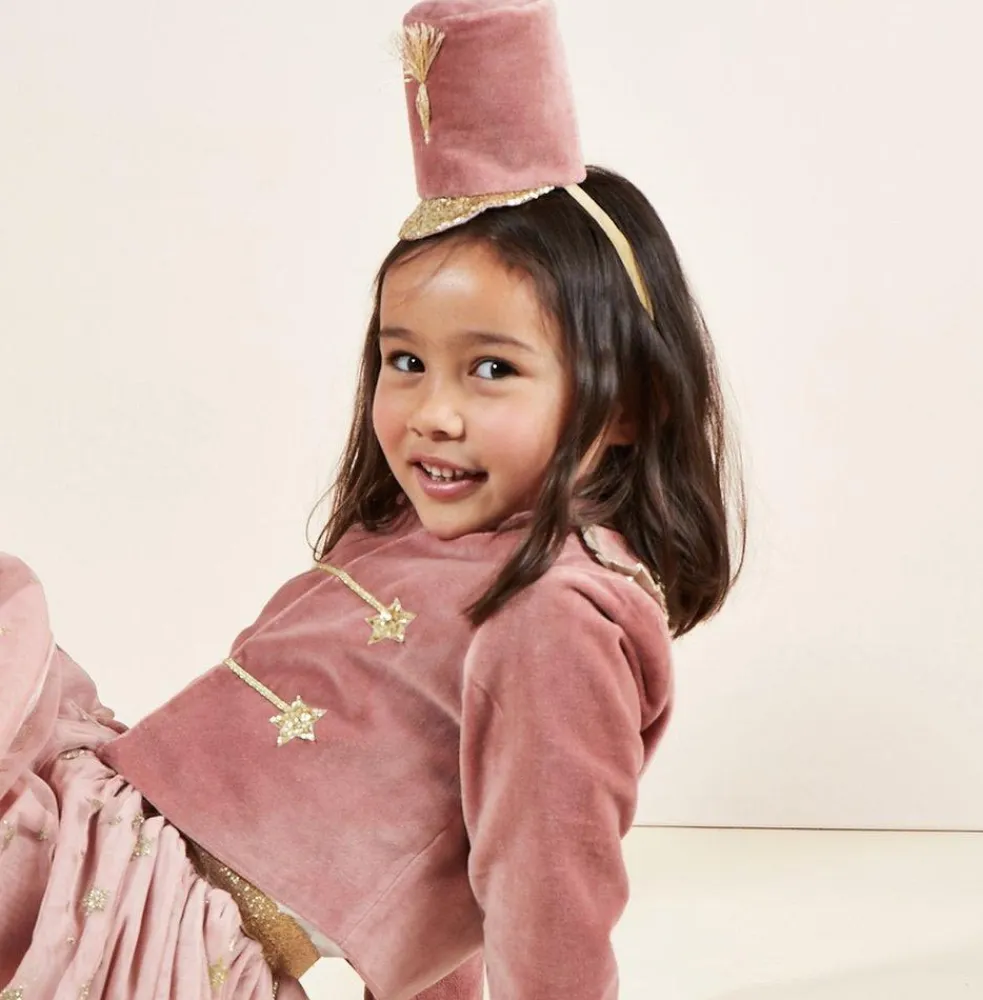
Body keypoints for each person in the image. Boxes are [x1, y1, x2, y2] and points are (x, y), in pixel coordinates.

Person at [0, 1, 745, 998]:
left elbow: (539, 894)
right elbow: (445, 857)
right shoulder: (410, 532)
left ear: (625, 404)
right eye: (405, 361)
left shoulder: (557, 620)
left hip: (142, 926)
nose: (432, 413)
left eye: (491, 368)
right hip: (105, 839)